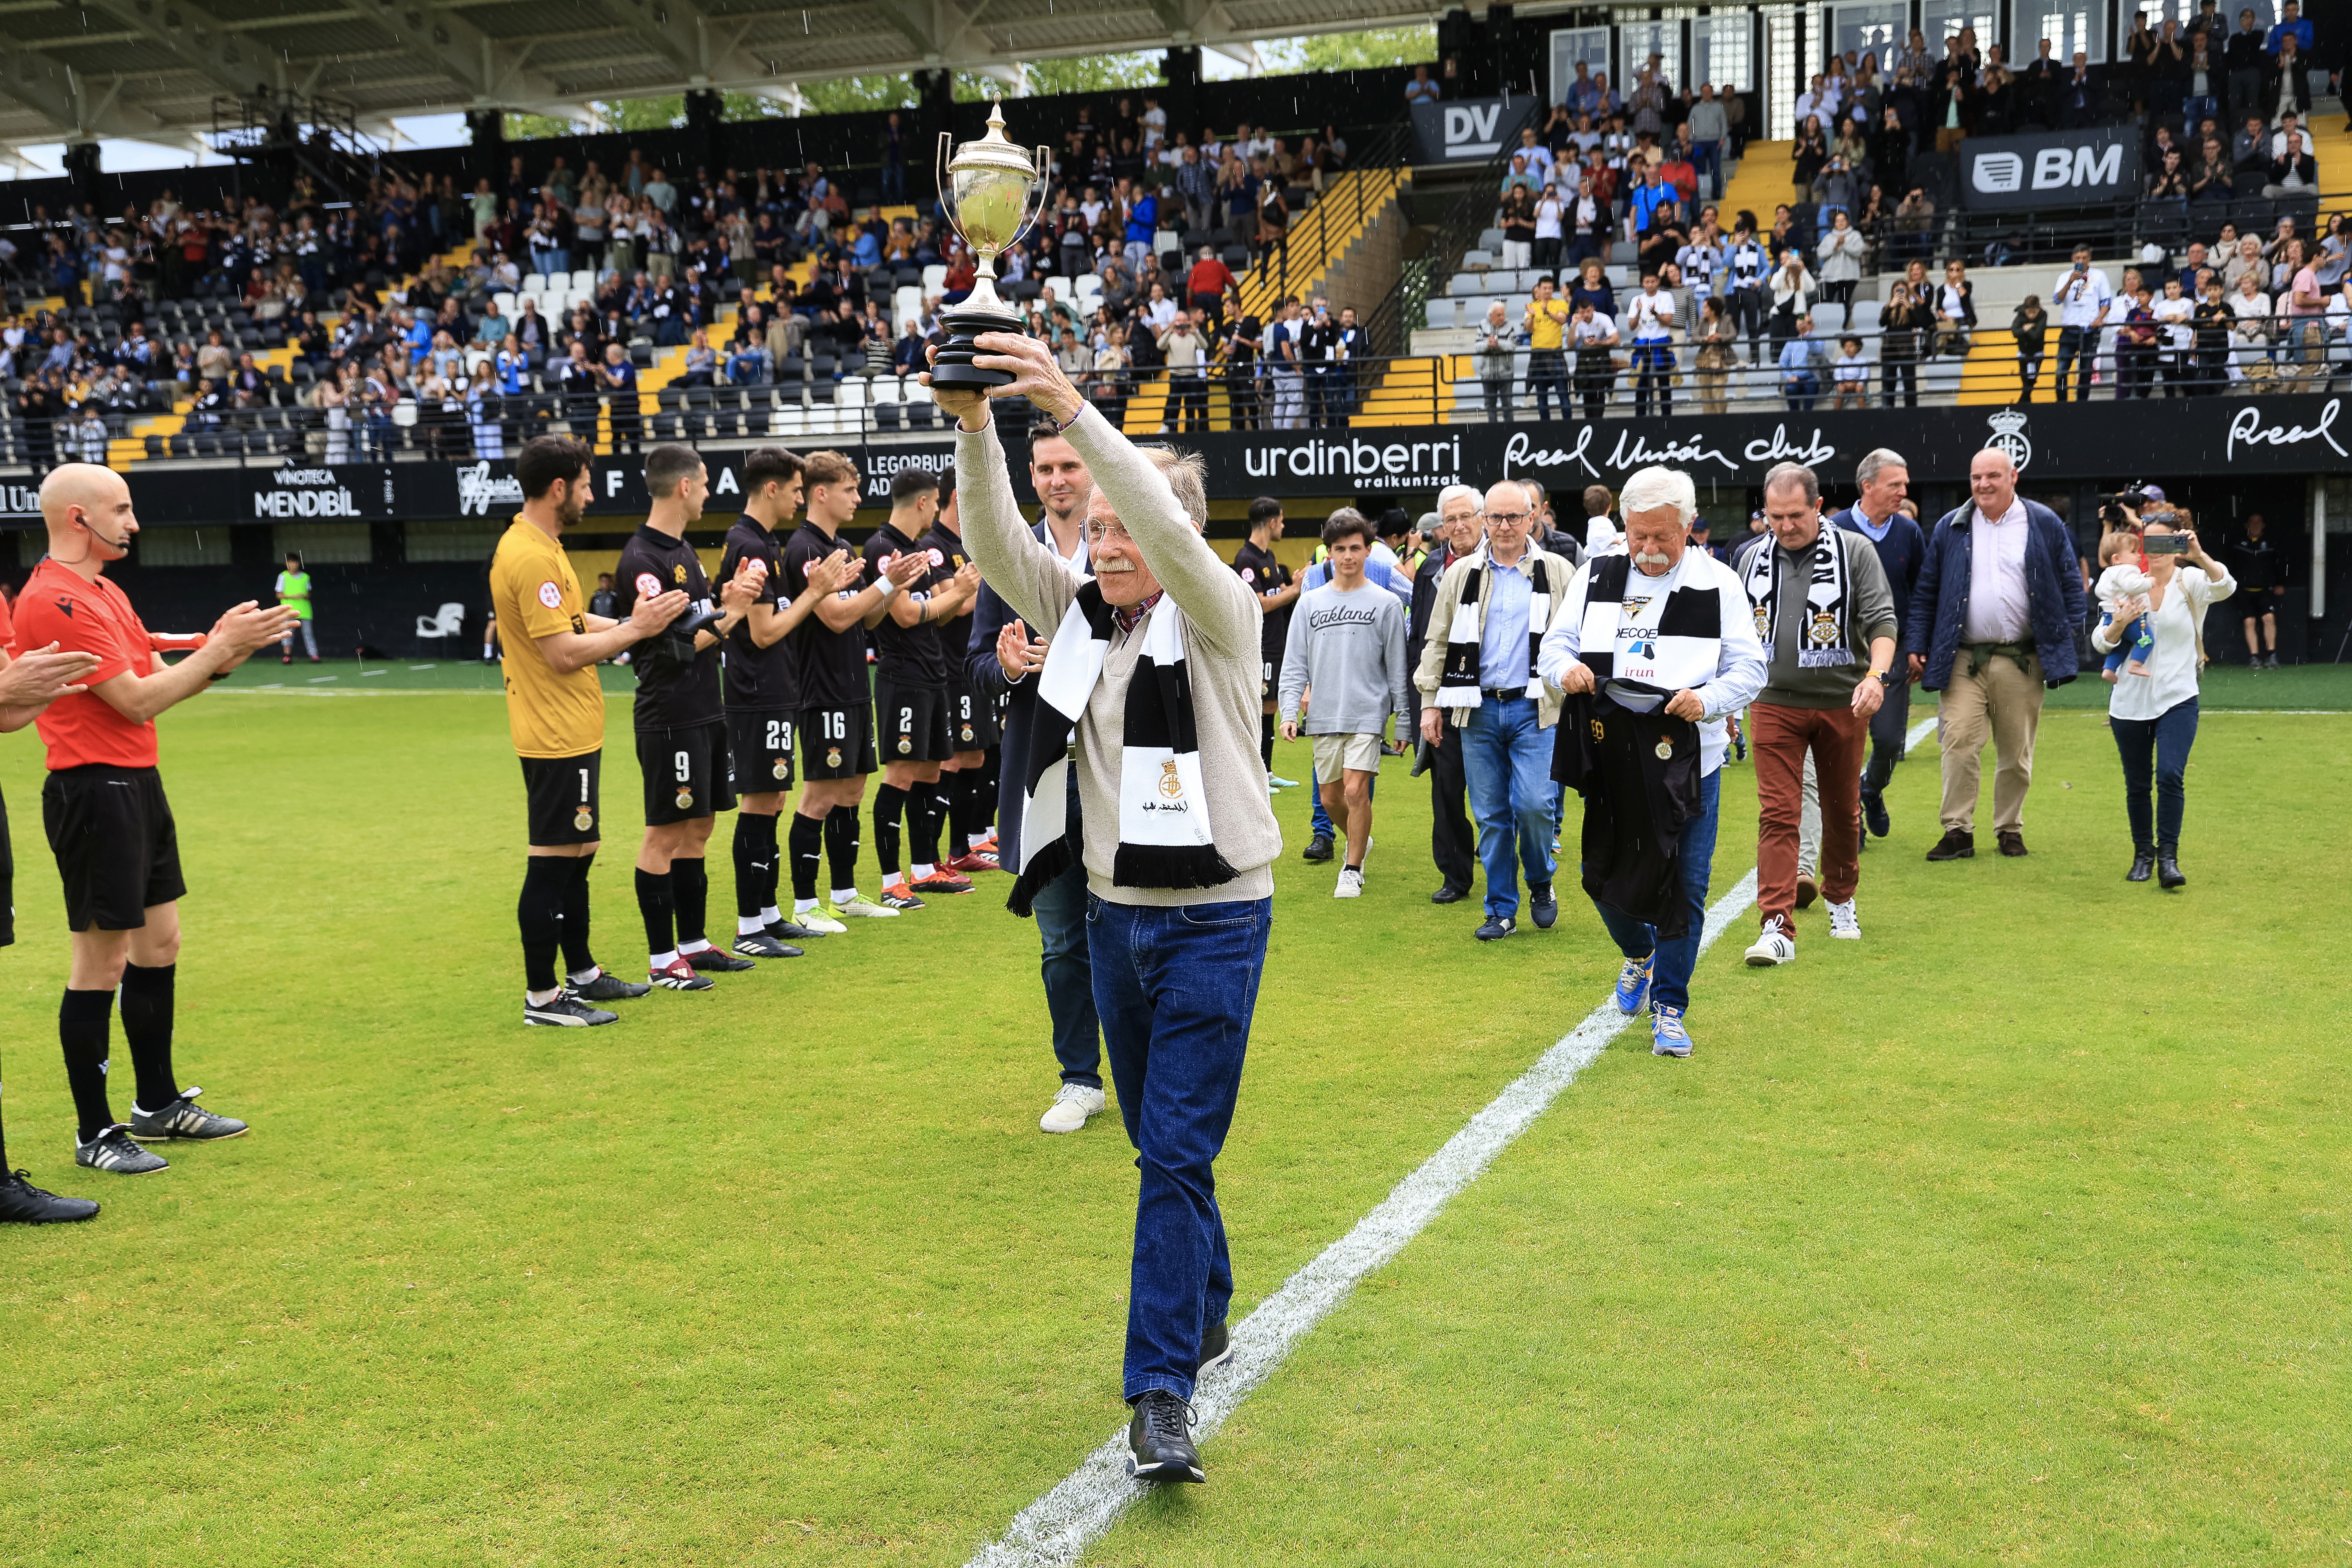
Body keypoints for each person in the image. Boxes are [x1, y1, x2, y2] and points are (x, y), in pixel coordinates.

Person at [940, 328, 1279, 1489]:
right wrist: (974, 424)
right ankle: (1213, 1307)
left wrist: (1077, 411)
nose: (1110, 546)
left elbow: (1155, 516)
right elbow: (989, 535)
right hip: (1115, 916)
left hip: (1217, 918)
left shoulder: (1220, 611)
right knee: (1162, 1147)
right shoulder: (1079, 611)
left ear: (1175, 537)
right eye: (1096, 533)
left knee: (1171, 1150)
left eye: (1129, 531)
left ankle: (1159, 1394)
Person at [12, 465, 297, 1178]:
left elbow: (155, 661)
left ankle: (157, 1104)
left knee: (159, 945)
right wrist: (217, 651)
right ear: (79, 518)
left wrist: (221, 647)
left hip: (136, 781)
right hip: (92, 792)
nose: (134, 523)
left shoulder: (103, 589)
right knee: (100, 961)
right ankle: (94, 1132)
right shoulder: (52, 599)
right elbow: (136, 699)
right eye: (123, 509)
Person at [1538, 465, 1766, 1057]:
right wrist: (1564, 671)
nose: (1648, 549)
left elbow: (1751, 668)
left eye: (1662, 536)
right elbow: (1554, 646)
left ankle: (1670, 1006)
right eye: (1638, 535)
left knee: (1687, 885)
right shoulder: (1598, 574)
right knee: (1600, 877)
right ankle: (1639, 953)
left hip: (1691, 760)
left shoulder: (1719, 582)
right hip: (1611, 754)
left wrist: (1708, 699)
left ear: (1689, 526)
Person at [966, 420, 1105, 1135]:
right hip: (1041, 777)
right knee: (1059, 939)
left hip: (1118, 775)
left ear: (1092, 470)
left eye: (1070, 466)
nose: (1058, 480)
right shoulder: (1008, 557)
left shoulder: (1123, 543)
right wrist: (1012, 667)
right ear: (1031, 476)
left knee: (1132, 930)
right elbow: (977, 663)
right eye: (1046, 468)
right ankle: (1080, 1077)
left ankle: (1140, 1067)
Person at [612, 444, 766, 991]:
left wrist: (726, 601)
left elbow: (696, 625)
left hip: (704, 709)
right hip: (669, 716)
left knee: (700, 824)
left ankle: (694, 943)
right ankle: (661, 961)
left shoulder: (682, 550)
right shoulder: (643, 560)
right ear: (683, 487)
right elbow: (672, 650)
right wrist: (738, 614)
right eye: (702, 483)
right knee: (664, 833)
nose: (707, 492)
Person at [1737, 463, 1898, 967]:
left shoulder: (1855, 552)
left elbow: (1882, 621)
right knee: (1779, 814)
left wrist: (1876, 676)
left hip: (1842, 701)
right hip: (1772, 701)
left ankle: (1841, 897)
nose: (1784, 526)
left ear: (1818, 507)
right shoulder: (1748, 558)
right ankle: (1776, 925)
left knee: (1842, 811)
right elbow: (1733, 635)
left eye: (1795, 515)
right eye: (1774, 516)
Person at [1415, 479, 1577, 942]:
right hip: (1477, 708)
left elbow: (1578, 641)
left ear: (1534, 518)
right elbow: (1438, 642)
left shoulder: (1559, 571)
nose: (1505, 527)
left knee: (1534, 806)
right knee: (1490, 815)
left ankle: (1541, 880)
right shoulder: (1461, 573)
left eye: (1514, 517)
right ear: (1484, 520)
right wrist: (1430, 705)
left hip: (1537, 708)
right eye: (1496, 518)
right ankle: (1501, 909)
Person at [1909, 448, 2086, 862]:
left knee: (2016, 750)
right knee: (1957, 741)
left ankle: (2009, 827)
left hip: (2021, 657)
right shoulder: (1951, 526)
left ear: (2013, 477)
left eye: (1992, 476)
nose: (1983, 485)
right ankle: (1958, 830)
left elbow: (2070, 583)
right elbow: (1927, 592)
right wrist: (1916, 643)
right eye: (1976, 477)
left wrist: (2066, 634)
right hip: (1963, 656)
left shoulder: (2043, 522)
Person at [716, 447, 855, 955]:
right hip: (755, 694)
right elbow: (764, 632)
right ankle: (749, 926)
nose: (801, 499)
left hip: (776, 692)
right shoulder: (748, 544)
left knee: (773, 801)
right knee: (758, 803)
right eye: (796, 490)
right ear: (771, 489)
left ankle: (769, 915)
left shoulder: (763, 542)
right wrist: (816, 593)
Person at [783, 451, 929, 925]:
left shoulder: (841, 545)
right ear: (821, 493)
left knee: (851, 790)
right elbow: (837, 616)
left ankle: (844, 894)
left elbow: (865, 617)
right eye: (850, 490)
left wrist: (892, 587)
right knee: (819, 795)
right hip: (821, 689)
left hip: (852, 688)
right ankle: (806, 905)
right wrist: (887, 581)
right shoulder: (804, 549)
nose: (858, 498)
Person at [864, 468, 984, 909]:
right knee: (901, 773)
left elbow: (937, 610)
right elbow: (907, 615)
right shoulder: (883, 548)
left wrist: (952, 596)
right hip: (903, 677)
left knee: (932, 771)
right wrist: (960, 593)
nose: (937, 509)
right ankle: (891, 879)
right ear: (922, 501)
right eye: (935, 502)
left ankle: (925, 868)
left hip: (933, 674)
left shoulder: (916, 549)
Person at [2094, 514, 2234, 889]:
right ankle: (2143, 855)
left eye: (2162, 543)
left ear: (2177, 544)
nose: (2152, 552)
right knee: (2137, 783)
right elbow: (2101, 642)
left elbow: (2226, 587)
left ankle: (2168, 859)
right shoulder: (2125, 581)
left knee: (2170, 775)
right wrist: (2120, 623)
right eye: (2146, 543)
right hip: (2129, 701)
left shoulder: (2191, 580)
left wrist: (2199, 555)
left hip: (2179, 695)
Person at [1279, 509, 1410, 898]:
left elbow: (1398, 668)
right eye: (1341, 548)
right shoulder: (1310, 603)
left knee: (1356, 791)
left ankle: (1352, 869)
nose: (1348, 556)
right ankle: (1359, 836)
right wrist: (1289, 711)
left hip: (1369, 712)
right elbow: (1294, 662)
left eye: (1356, 548)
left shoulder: (1386, 603)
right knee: (1331, 797)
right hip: (1323, 715)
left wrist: (1402, 721)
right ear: (1329, 553)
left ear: (1369, 551)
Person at [1412, 486, 1483, 904]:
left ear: (1481, 517)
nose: (1458, 525)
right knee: (1447, 790)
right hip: (1445, 696)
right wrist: (1425, 700)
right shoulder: (1431, 568)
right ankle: (1455, 874)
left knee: (1501, 795)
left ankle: (1511, 866)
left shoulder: (1505, 563)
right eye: (1450, 519)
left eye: (1466, 516)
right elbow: (1423, 636)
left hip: (1492, 696)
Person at [1232, 497, 1302, 788]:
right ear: (1273, 522)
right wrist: (1295, 591)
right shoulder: (1246, 559)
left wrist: (1294, 583)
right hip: (1259, 646)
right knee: (1257, 707)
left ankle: (1267, 771)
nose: (1284, 526)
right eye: (1282, 521)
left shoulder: (1269, 557)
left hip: (1275, 644)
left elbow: (1277, 592)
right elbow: (1259, 604)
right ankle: (1255, 777)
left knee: (1270, 706)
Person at [2051, 246, 2113, 402]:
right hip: (2069, 330)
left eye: (2084, 258)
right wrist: (2070, 281)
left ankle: (2082, 404)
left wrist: (2100, 319)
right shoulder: (2064, 276)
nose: (2081, 261)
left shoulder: (2099, 276)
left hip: (2090, 330)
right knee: (2061, 371)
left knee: (2085, 371)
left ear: (2089, 259)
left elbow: (2106, 301)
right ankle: (2062, 404)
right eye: (2078, 258)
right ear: (2073, 259)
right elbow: (2057, 300)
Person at [2229, 512, 2287, 668]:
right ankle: (2254, 657)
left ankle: (2271, 655)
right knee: (2250, 621)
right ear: (2247, 525)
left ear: (2264, 525)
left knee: (2268, 618)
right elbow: (2231, 566)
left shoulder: (2270, 544)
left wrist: (2280, 583)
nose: (2255, 525)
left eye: (2259, 522)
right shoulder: (2238, 545)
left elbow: (2278, 565)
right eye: (2252, 522)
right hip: (2244, 591)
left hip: (2265, 590)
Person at [275, 551, 319, 664]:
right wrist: (294, 597)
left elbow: (309, 594)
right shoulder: (283, 576)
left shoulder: (305, 577)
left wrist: (304, 596)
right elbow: (279, 594)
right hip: (288, 611)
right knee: (288, 634)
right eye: (291, 563)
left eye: (296, 562)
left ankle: (314, 656)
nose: (294, 565)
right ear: (287, 564)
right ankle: (287, 656)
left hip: (305, 611)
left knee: (308, 634)